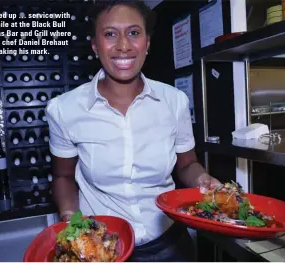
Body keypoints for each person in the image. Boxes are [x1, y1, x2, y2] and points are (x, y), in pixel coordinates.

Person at [45, 0, 221, 261]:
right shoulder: (64, 109)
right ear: (95, 46)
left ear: (147, 43)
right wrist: (71, 219)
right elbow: (63, 176)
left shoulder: (174, 102)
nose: (124, 45)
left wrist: (204, 180)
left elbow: (187, 165)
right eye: (110, 34)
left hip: (171, 246)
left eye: (134, 33)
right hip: (103, 249)